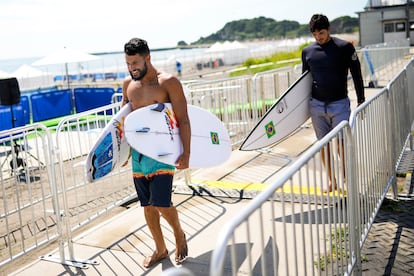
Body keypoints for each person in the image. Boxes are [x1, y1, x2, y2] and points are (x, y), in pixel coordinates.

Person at [121, 38, 190, 268]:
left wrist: (186, 153)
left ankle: (179, 234)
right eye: (128, 63)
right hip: (139, 155)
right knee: (147, 205)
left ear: (148, 57)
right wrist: (123, 153)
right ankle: (160, 249)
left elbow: (183, 119)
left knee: (161, 202)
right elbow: (124, 122)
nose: (132, 68)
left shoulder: (168, 82)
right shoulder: (127, 85)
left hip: (163, 152)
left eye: (135, 62)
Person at [301, 14, 365, 192]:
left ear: (328, 29)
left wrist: (361, 99)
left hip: (340, 105)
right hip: (316, 106)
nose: (318, 37)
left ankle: (346, 179)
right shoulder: (307, 52)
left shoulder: (344, 47)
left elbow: (357, 74)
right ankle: (332, 181)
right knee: (324, 145)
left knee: (342, 145)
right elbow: (303, 83)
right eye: (314, 34)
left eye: (321, 33)